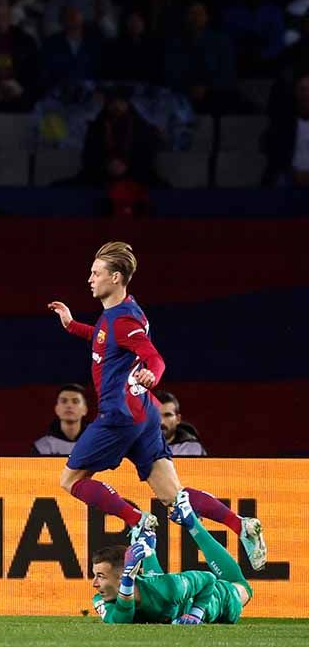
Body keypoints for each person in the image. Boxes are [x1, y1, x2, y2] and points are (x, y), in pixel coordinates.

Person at [47, 242, 267, 570]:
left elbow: (153, 356)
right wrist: (71, 324)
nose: (89, 279)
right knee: (172, 497)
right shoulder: (123, 312)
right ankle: (241, 526)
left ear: (116, 277)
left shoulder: (124, 321)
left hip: (120, 416)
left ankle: (137, 520)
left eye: (96, 273)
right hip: (143, 412)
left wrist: (154, 374)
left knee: (70, 480)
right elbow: (105, 339)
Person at [91, 491, 253, 624]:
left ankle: (192, 524)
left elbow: (208, 579)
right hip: (153, 591)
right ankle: (145, 538)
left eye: (100, 576)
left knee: (242, 588)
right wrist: (127, 582)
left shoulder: (171, 588)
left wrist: (196, 614)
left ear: (120, 577)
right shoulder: (101, 598)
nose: (94, 584)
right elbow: (120, 620)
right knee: (158, 589)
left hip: (217, 600)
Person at [32, 383, 89, 455]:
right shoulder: (42, 447)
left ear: (85, 410)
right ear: (57, 409)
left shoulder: (95, 444)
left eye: (75, 401)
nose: (69, 405)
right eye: (64, 401)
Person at [153, 390, 208, 456]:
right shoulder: (138, 447)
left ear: (178, 419)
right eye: (156, 415)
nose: (161, 421)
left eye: (168, 415)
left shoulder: (194, 449)